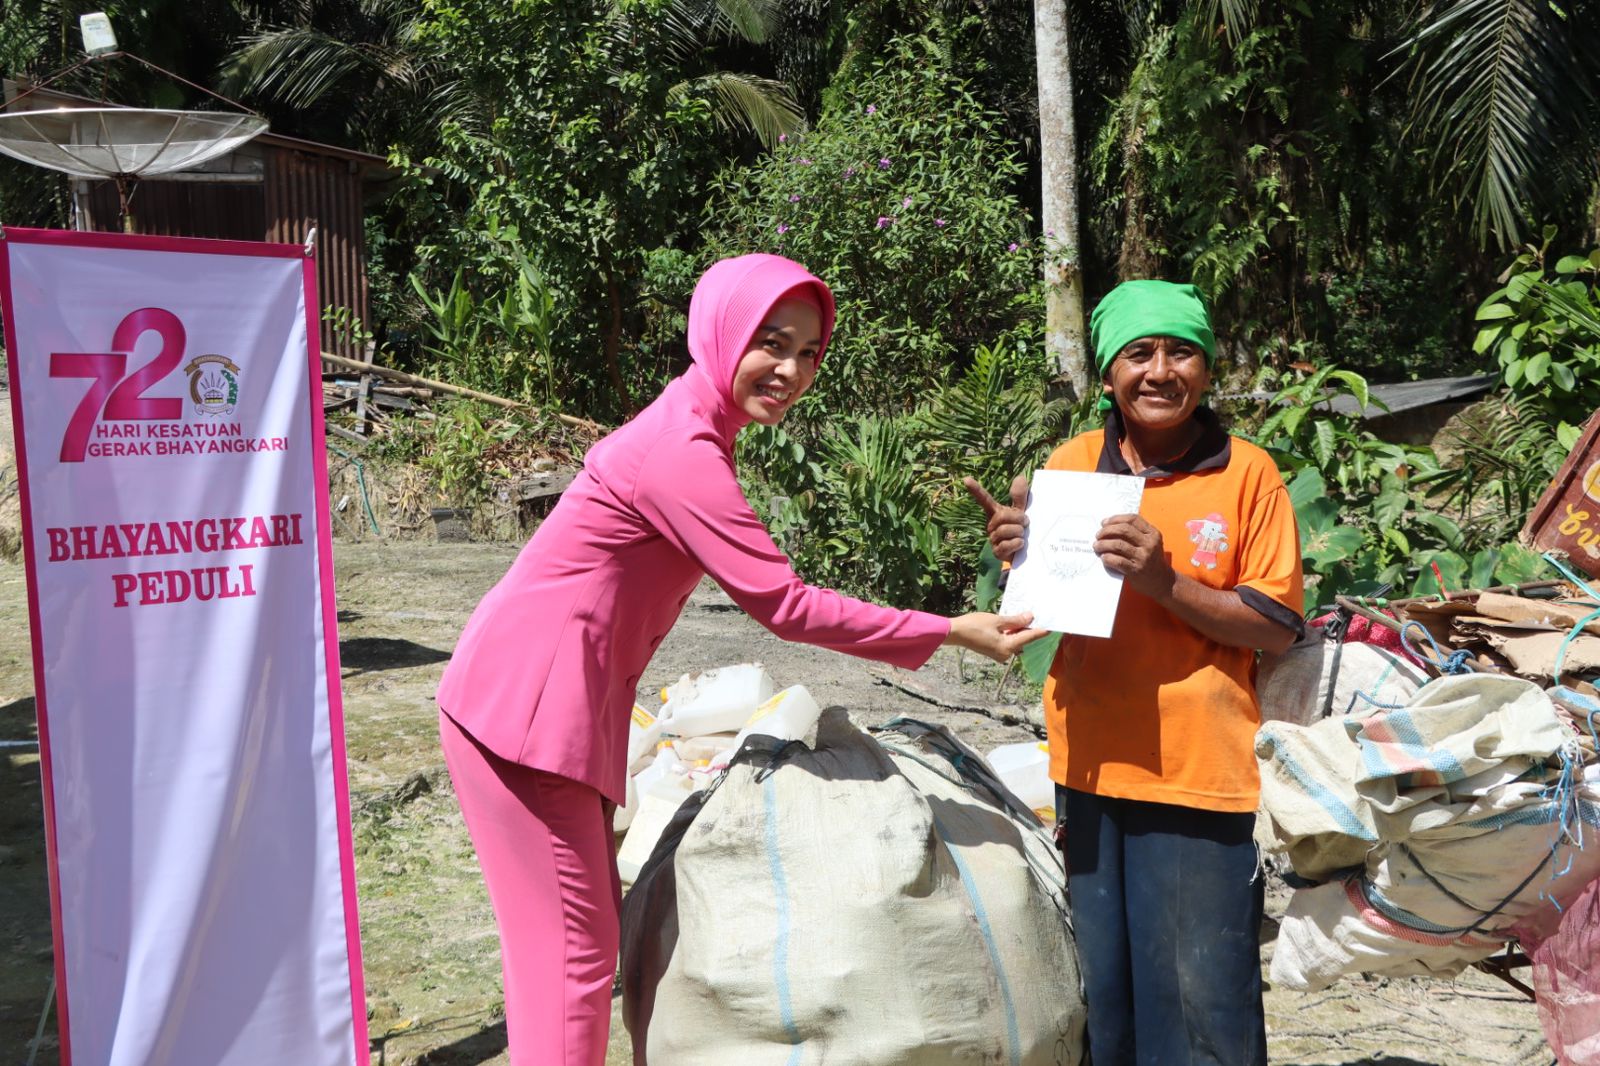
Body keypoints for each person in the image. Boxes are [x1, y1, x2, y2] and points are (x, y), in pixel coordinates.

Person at [436, 252, 1046, 1065]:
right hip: (525, 713)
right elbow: (783, 604)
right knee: (573, 959)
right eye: (772, 342)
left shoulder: (694, 427)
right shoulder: (681, 450)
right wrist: (946, 629)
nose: (791, 369)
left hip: (545, 705)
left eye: (810, 352)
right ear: (721, 332)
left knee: (565, 951)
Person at [966, 279, 1304, 1066]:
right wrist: (1020, 556)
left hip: (1199, 769)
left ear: (1209, 369)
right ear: (1109, 374)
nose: (1160, 371)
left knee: (1199, 997)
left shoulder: (1248, 476)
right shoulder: (1075, 465)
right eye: (1138, 353)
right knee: (1102, 998)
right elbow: (1046, 606)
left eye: (1181, 351)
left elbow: (1277, 628)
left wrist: (1167, 583)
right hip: (1088, 763)